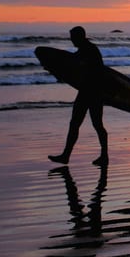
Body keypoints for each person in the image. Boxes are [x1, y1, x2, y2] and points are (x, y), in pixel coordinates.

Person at [49, 26, 109, 166]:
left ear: (79, 37)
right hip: (89, 92)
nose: (71, 40)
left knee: (92, 124)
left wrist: (59, 70)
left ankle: (102, 156)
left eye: (72, 38)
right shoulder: (84, 50)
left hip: (91, 93)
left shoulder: (89, 50)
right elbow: (72, 69)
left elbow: (81, 68)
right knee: (80, 124)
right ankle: (67, 155)